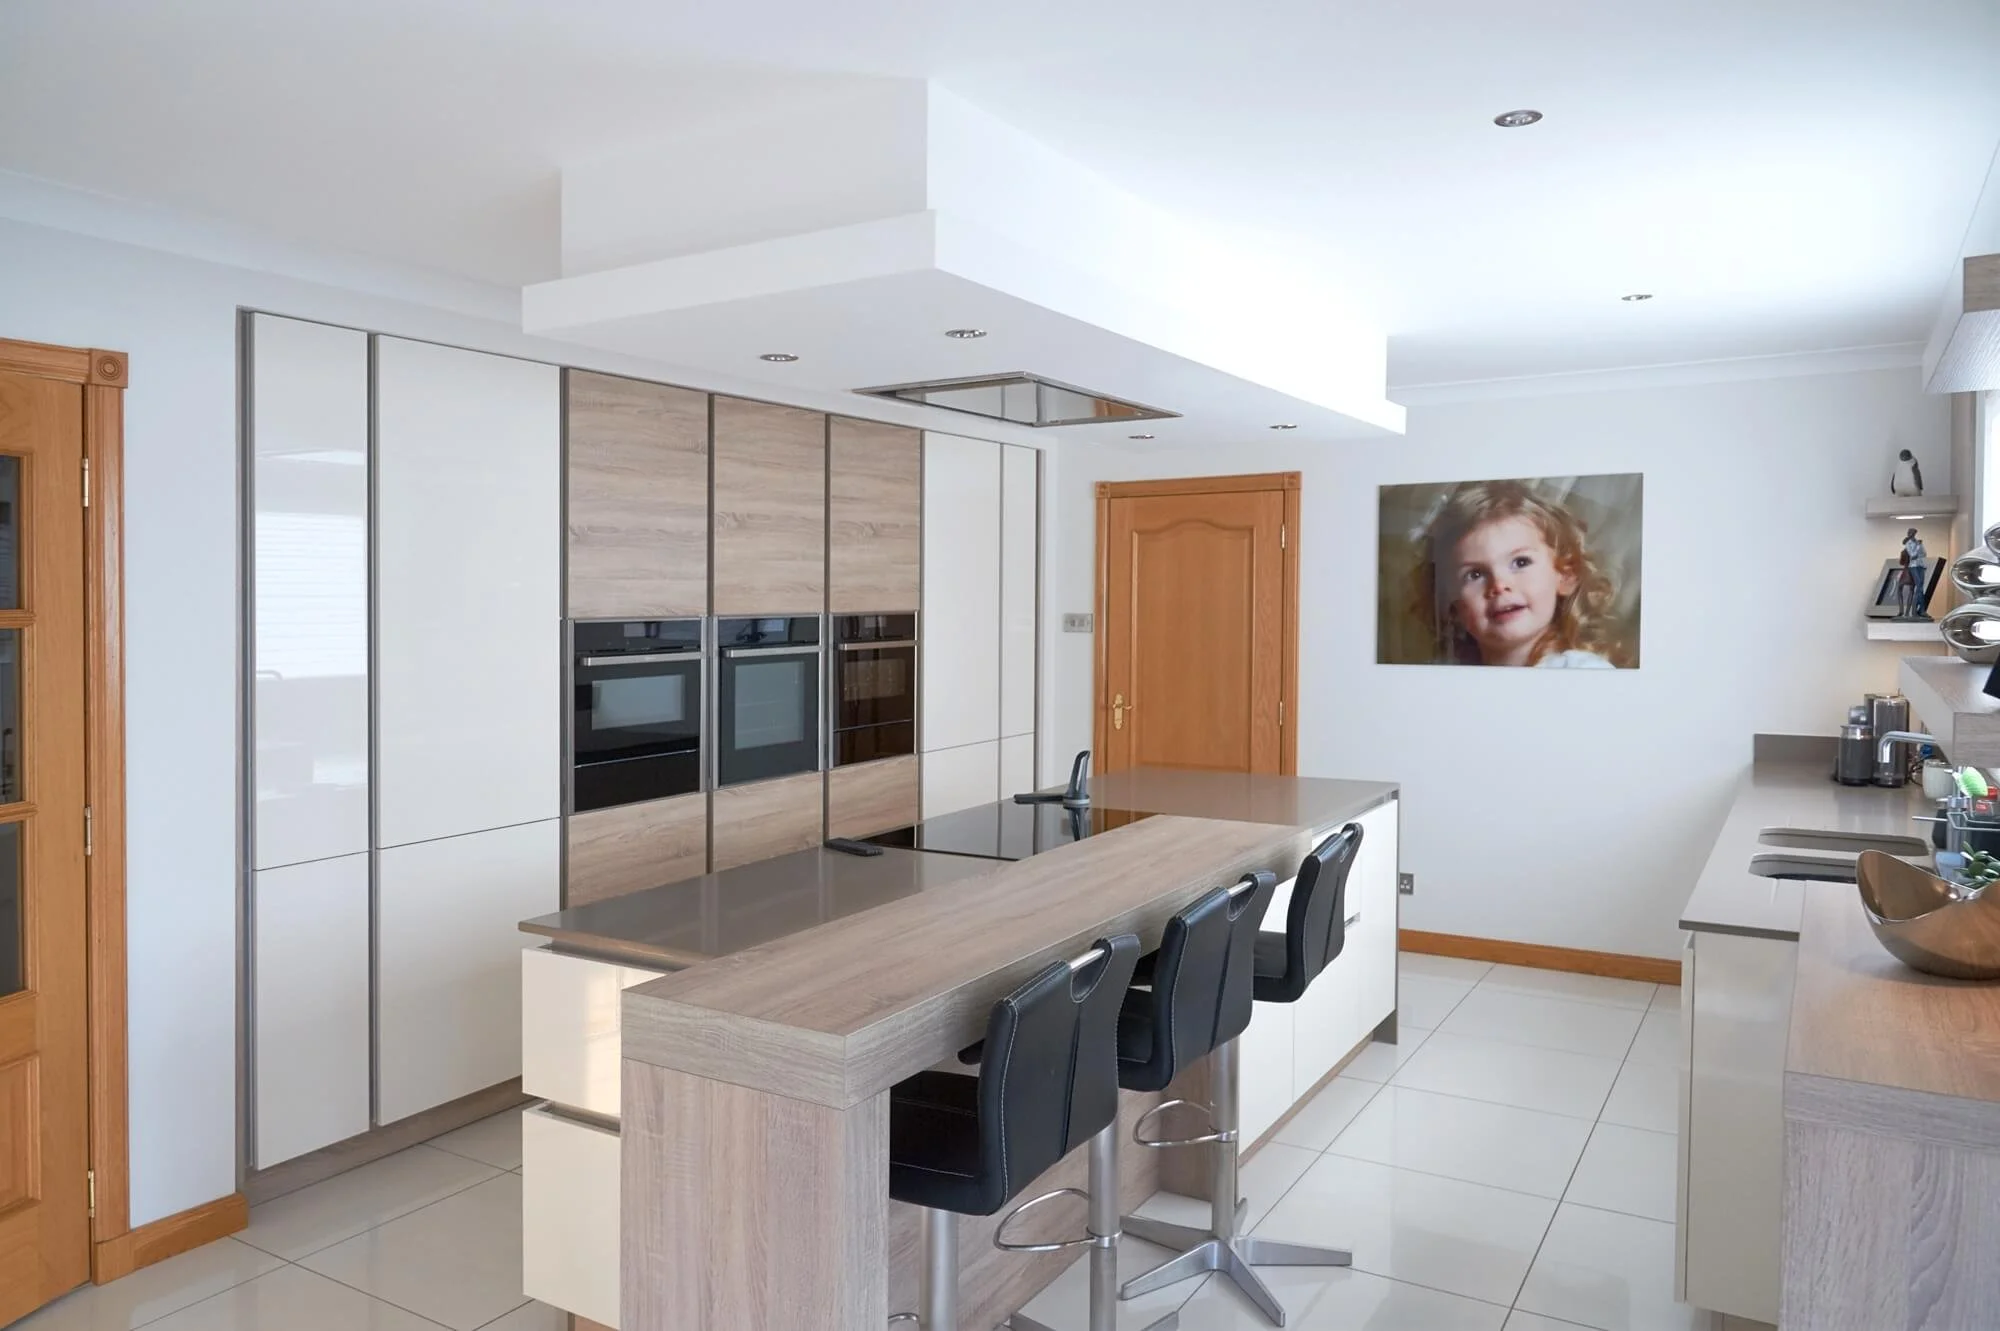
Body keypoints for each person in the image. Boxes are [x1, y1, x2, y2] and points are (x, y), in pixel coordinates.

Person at [1409, 480, 1630, 667]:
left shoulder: (1581, 670)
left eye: (1521, 562)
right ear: (1451, 606)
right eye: (1475, 574)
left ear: (1565, 574)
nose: (1499, 585)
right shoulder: (1446, 673)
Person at [1899, 528, 1929, 619]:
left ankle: (1921, 610)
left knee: (1921, 588)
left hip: (1921, 565)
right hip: (1913, 566)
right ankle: (1916, 609)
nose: (1911, 534)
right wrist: (1918, 547)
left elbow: (1924, 554)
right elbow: (1913, 555)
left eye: (1913, 532)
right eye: (1910, 532)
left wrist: (1919, 547)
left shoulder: (1918, 542)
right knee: (1919, 585)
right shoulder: (1909, 543)